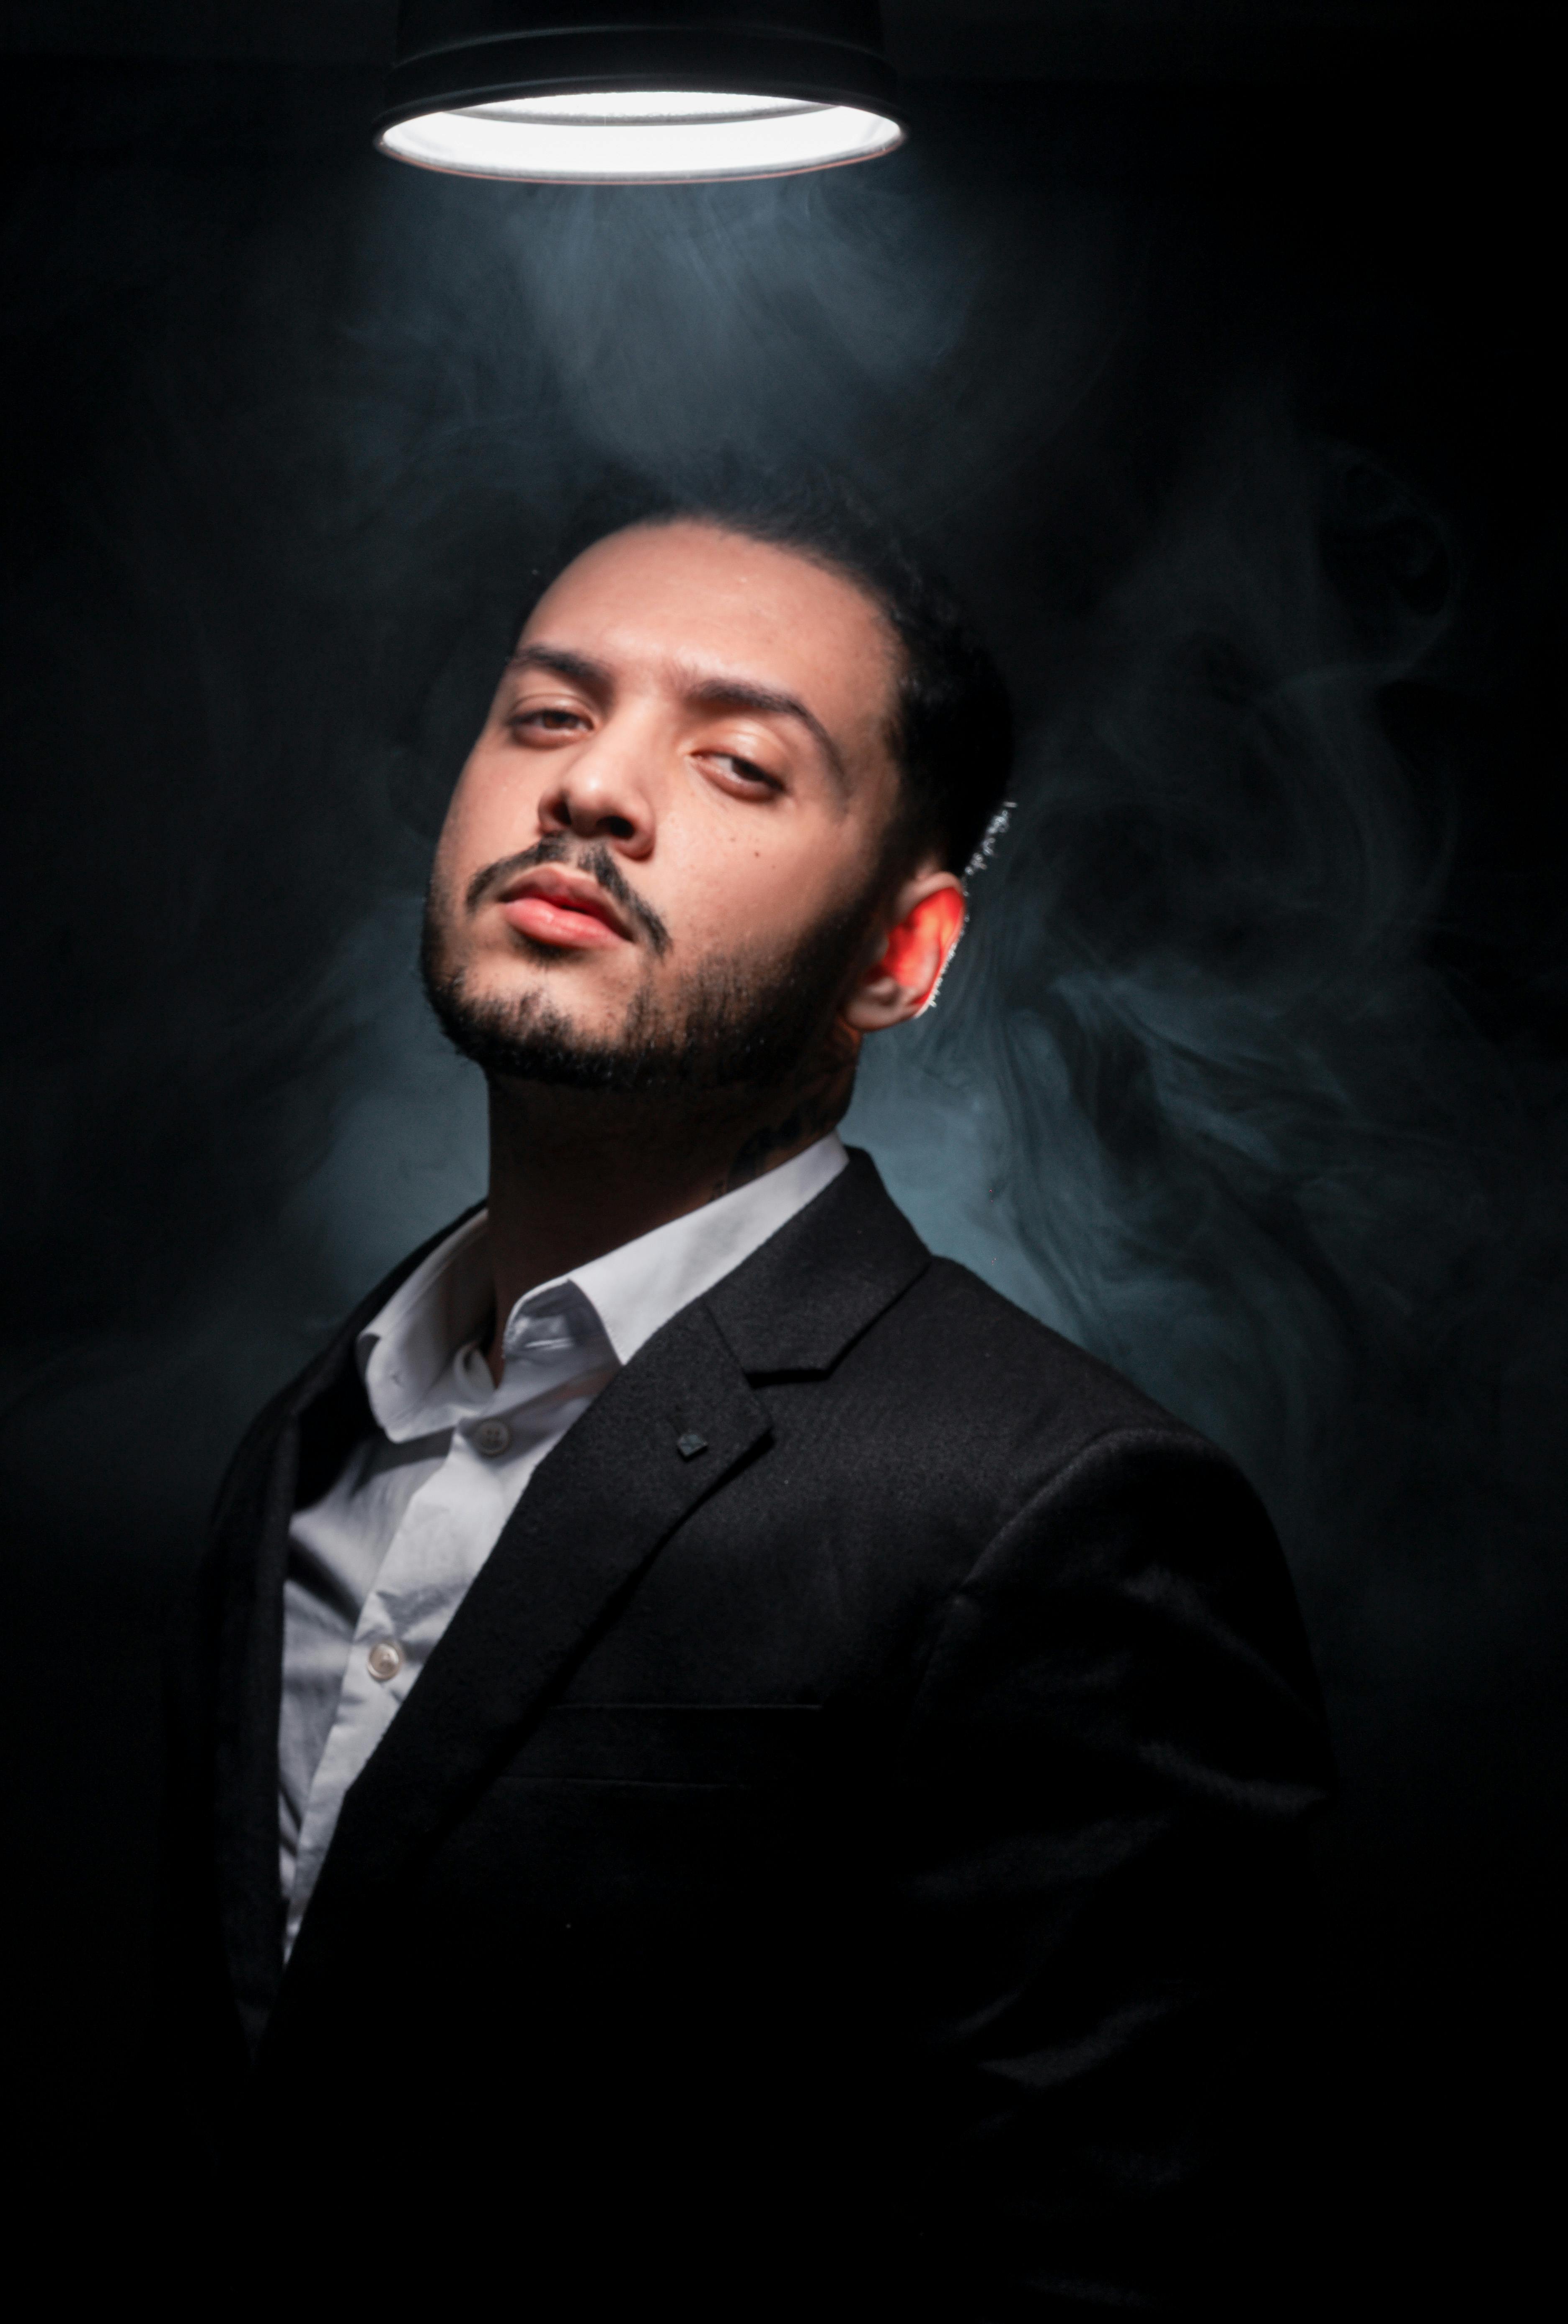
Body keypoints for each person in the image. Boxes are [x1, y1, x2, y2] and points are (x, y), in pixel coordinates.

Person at [156, 483, 1332, 2318]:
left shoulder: (1059, 1517)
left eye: (739, 766)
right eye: (547, 715)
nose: (592, 790)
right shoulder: (310, 1436)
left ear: (901, 954)